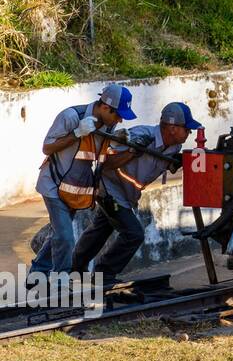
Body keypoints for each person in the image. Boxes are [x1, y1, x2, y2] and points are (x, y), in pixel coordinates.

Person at [71, 102, 201, 286]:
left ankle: (75, 268)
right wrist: (132, 151)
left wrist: (174, 163)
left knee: (100, 230)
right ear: (172, 128)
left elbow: (161, 165)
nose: (189, 133)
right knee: (134, 234)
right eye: (186, 129)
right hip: (109, 187)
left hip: (127, 194)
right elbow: (106, 162)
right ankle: (104, 274)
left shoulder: (173, 148)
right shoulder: (140, 135)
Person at [31, 84, 134, 277]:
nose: (120, 119)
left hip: (75, 189)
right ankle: (59, 282)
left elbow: (99, 151)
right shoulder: (71, 117)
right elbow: (47, 147)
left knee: (59, 235)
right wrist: (76, 133)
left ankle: (37, 272)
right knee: (66, 237)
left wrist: (115, 138)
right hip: (53, 184)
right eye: (118, 114)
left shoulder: (109, 123)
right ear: (104, 107)